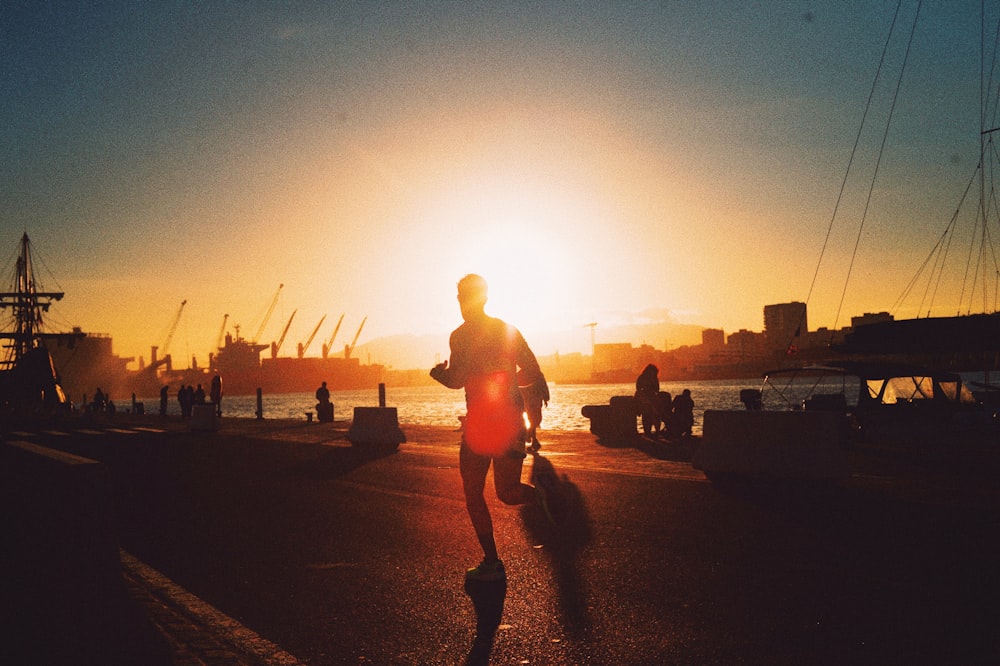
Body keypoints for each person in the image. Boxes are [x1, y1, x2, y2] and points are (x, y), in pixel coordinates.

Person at [430, 274, 553, 582]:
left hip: (481, 424)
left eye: (462, 297)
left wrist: (437, 374)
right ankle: (543, 501)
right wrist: (514, 384)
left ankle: (492, 561)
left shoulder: (460, 336)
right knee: (508, 493)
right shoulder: (506, 331)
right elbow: (532, 371)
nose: (460, 303)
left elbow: (456, 380)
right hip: (511, 420)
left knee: (474, 494)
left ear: (468, 299)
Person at [519, 371, 549, 451]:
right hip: (532, 400)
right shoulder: (537, 374)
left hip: (530, 400)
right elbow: (544, 386)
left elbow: (543, 386)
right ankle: (533, 440)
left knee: (534, 420)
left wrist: (546, 398)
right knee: (534, 420)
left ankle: (530, 436)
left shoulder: (522, 373)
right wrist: (546, 398)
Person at [635, 364, 660, 436]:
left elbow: (638, 388)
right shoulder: (654, 378)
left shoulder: (641, 377)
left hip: (645, 398)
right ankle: (656, 431)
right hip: (649, 398)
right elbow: (657, 389)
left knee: (646, 416)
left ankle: (647, 431)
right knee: (653, 415)